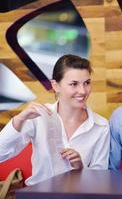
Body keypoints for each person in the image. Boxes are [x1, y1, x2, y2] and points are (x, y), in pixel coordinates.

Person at [0, 54, 110, 185]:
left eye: (86, 83)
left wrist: (80, 168)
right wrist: (19, 119)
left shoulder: (101, 126)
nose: (82, 91)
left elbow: (100, 180)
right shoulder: (39, 116)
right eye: (74, 84)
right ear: (55, 85)